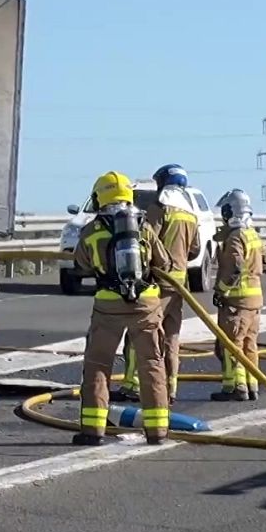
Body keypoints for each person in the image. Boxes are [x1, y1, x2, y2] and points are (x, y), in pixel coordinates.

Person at [71, 171, 172, 446]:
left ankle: (93, 430)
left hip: (108, 305)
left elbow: (81, 265)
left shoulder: (92, 230)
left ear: (99, 198)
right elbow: (164, 263)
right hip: (146, 305)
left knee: (98, 365)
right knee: (151, 364)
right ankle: (157, 431)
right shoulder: (143, 225)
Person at [118, 164, 200, 405]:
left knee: (140, 333)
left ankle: (133, 385)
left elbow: (146, 240)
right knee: (171, 338)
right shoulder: (190, 214)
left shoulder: (159, 209)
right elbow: (195, 250)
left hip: (159, 282)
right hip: (179, 285)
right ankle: (170, 388)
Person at [212, 189, 265, 402]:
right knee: (249, 344)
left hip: (236, 301)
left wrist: (222, 290)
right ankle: (252, 386)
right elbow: (265, 257)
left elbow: (235, 267)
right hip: (254, 301)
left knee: (231, 344)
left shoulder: (235, 237)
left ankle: (235, 386)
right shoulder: (253, 234)